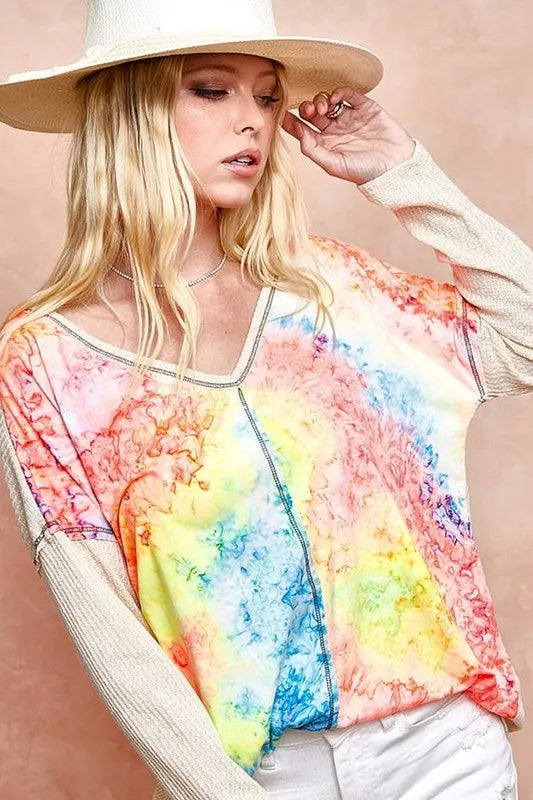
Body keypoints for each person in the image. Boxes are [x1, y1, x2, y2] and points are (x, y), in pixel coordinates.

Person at [0, 0, 531, 798]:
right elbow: (110, 629)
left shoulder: (330, 290)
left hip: (443, 751)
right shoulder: (47, 359)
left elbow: (523, 338)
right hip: (263, 774)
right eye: (211, 90)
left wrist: (401, 171)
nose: (252, 120)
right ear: (127, 111)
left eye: (267, 95)